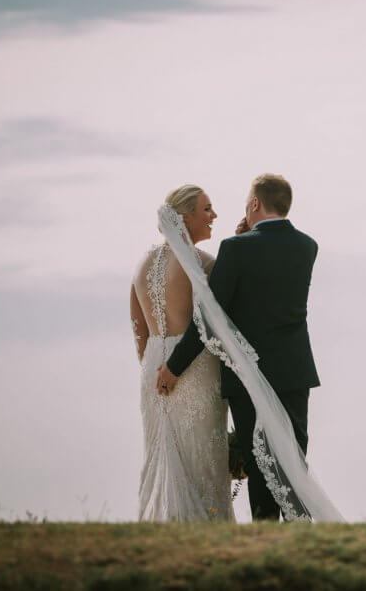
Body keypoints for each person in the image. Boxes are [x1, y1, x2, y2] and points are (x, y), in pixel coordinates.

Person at [157, 173, 321, 521]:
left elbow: (209, 318)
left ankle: (265, 532)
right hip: (295, 372)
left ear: (254, 204)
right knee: (293, 462)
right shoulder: (307, 246)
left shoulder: (234, 249)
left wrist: (174, 366)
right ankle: (300, 532)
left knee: (260, 463)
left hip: (250, 374)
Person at [130, 185, 233, 521]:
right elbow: (212, 326)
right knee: (202, 460)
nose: (214, 216)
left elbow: (139, 332)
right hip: (193, 367)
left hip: (153, 368)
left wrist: (155, 370)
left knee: (160, 455)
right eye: (207, 209)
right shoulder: (203, 264)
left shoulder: (142, 265)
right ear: (186, 216)